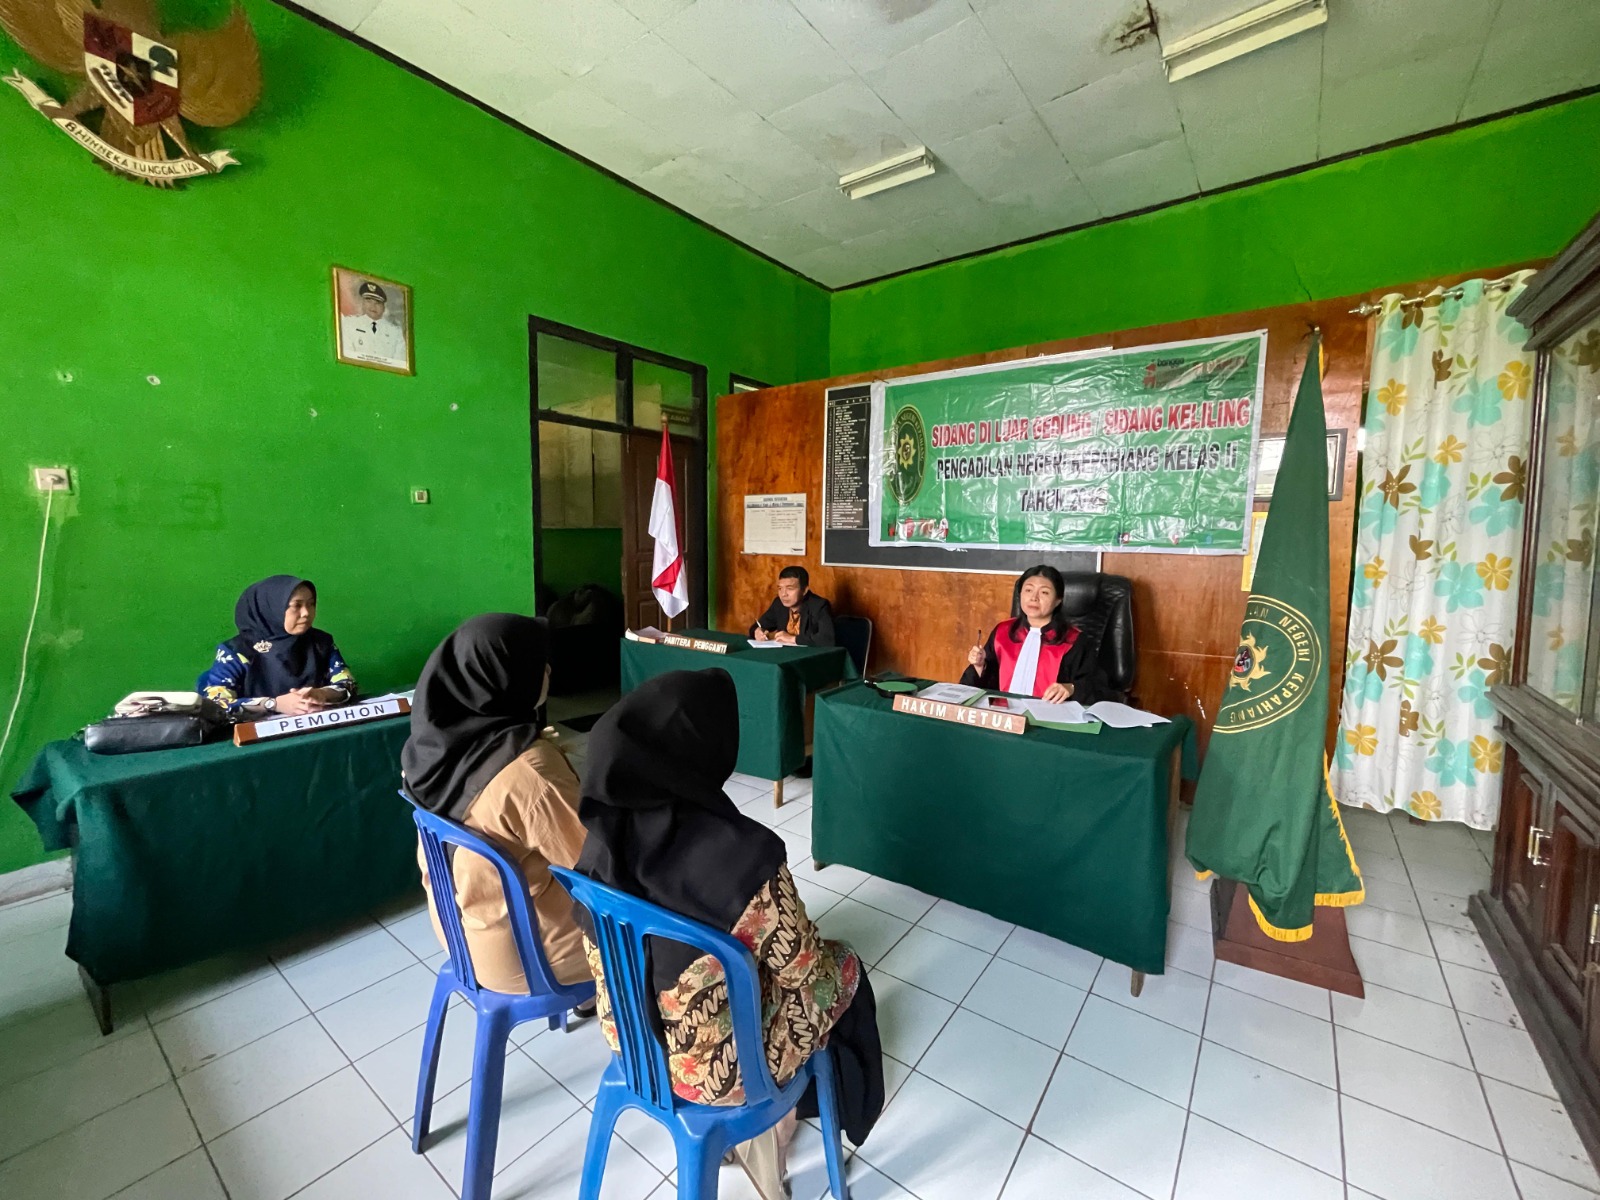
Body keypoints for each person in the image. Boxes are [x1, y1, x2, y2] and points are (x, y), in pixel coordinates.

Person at [575, 669, 882, 1200]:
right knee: (845, 966)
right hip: (719, 1076)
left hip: (630, 1040)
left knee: (740, 968)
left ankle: (770, 1132)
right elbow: (805, 968)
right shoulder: (742, 853)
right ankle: (808, 1117)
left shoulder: (601, 839)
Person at [402, 614, 593, 994]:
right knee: (669, 917)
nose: (549, 670)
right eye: (536, 663)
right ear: (507, 676)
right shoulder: (530, 768)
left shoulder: (430, 750)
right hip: (526, 955)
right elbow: (593, 865)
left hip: (461, 932)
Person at [198, 575, 356, 719]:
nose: (306, 613)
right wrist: (274, 704)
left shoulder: (320, 642)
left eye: (311, 604)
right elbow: (217, 704)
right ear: (271, 608)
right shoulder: (237, 651)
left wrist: (323, 694)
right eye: (296, 606)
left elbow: (347, 685)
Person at [961, 564, 1108, 702]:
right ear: (1020, 594)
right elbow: (989, 684)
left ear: (1058, 600)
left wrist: (1071, 688)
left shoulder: (1074, 641)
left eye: (1044, 592)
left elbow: (1096, 687)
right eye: (1028, 590)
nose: (1034, 598)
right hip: (1005, 717)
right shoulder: (1003, 632)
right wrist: (980, 666)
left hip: (1049, 719)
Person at [749, 566, 835, 646]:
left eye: (789, 588)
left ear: (804, 590)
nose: (783, 594)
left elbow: (827, 639)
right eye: (780, 588)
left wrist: (793, 639)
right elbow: (758, 625)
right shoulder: (778, 603)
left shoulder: (819, 605)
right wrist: (757, 631)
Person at [340, 280, 406, 366]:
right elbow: (347, 357)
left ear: (383, 307)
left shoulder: (395, 331)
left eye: (377, 303)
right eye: (369, 301)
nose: (373, 306)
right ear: (363, 303)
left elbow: (399, 362)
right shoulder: (349, 324)